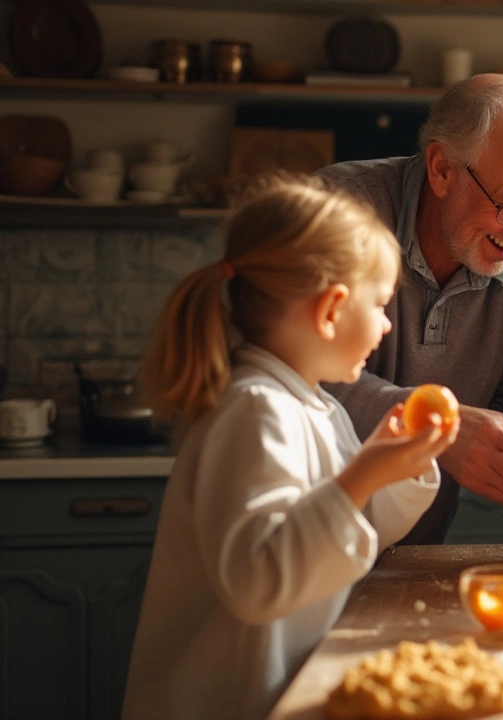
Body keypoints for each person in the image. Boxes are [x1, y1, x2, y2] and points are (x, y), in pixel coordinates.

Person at [121, 177, 457, 720]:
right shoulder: (253, 412)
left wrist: (399, 467)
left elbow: (356, 530)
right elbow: (258, 582)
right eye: (380, 305)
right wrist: (362, 475)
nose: (386, 325)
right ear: (331, 311)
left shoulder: (316, 407)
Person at [315, 74, 503, 543]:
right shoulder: (335, 212)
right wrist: (442, 427)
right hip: (299, 542)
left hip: (415, 548)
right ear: (441, 168)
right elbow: (291, 377)